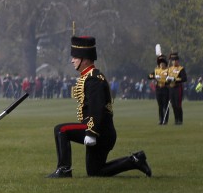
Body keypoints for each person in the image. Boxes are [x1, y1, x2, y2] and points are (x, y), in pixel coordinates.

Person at [47, 35, 151, 178]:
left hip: (98, 130)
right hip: (103, 131)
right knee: (95, 171)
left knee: (61, 129)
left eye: (75, 57)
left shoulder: (93, 79)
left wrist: (91, 132)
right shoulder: (89, 76)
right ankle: (134, 161)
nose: (72, 60)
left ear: (84, 58)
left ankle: (64, 170)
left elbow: (98, 108)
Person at [149, 54, 171, 125]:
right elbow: (149, 76)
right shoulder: (156, 70)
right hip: (158, 89)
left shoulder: (168, 70)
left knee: (165, 105)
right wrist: (154, 76)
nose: (161, 64)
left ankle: (165, 120)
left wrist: (167, 80)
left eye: (163, 63)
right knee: (160, 106)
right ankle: (160, 119)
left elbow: (170, 80)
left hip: (165, 88)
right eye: (160, 63)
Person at [168, 52, 187, 125]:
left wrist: (175, 79)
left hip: (178, 88)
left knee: (178, 104)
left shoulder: (181, 69)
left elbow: (184, 78)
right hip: (171, 88)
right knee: (173, 105)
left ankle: (180, 119)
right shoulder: (169, 69)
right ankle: (176, 119)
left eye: (175, 60)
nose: (174, 62)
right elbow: (167, 78)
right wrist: (168, 79)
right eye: (173, 60)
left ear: (178, 61)